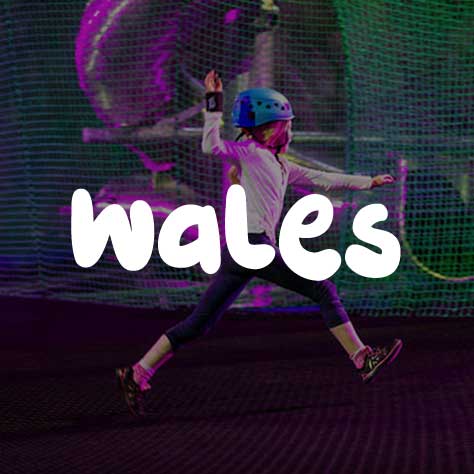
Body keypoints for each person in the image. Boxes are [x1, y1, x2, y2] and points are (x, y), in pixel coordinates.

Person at [116, 70, 402, 416]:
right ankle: (361, 357)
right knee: (323, 289)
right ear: (270, 128)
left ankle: (137, 372)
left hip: (244, 249)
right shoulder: (251, 153)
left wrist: (367, 182)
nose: (291, 130)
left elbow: (324, 178)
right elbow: (210, 144)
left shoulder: (280, 165)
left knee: (200, 324)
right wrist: (213, 102)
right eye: (286, 124)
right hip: (251, 246)